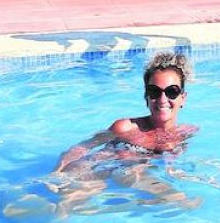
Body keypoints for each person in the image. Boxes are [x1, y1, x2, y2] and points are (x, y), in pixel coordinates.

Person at [12, 52, 199, 216]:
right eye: (154, 91)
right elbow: (84, 146)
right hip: (95, 169)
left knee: (172, 201)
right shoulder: (125, 127)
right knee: (62, 211)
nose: (162, 99)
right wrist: (56, 172)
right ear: (146, 97)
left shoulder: (186, 133)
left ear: (183, 97)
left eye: (172, 91)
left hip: (128, 173)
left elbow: (167, 165)